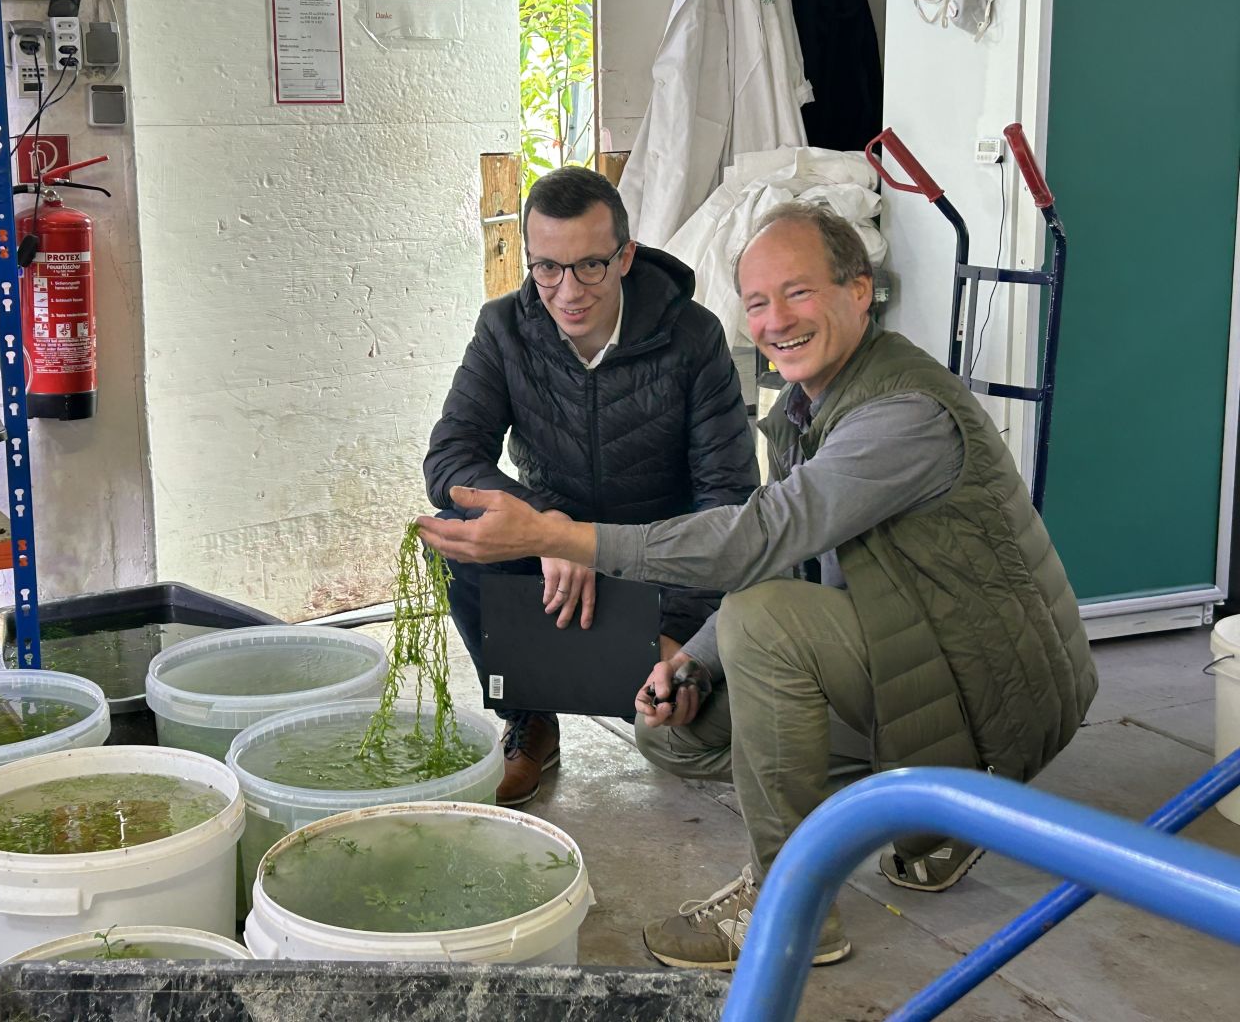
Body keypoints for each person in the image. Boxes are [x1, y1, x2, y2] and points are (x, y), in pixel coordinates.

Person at [417, 201, 1098, 967]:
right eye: (759, 302)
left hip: (999, 692)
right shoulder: (812, 401)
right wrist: (693, 663)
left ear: (859, 289)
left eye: (798, 293)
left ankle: (795, 902)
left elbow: (753, 534)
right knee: (672, 728)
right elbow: (455, 456)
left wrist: (565, 538)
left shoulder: (901, 411)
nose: (776, 321)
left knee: (765, 620)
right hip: (899, 644)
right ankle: (924, 810)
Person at [424, 166, 760, 807]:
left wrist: (681, 635)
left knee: (690, 733)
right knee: (456, 532)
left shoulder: (694, 336)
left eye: (590, 267)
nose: (566, 291)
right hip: (558, 564)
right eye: (546, 268)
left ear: (626, 256)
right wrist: (549, 527)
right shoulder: (504, 329)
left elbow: (728, 498)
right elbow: (451, 457)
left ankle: (667, 666)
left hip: (660, 558)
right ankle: (530, 716)